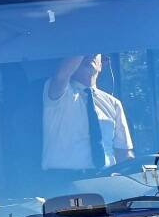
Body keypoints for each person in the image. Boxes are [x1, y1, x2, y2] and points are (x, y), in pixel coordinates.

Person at [42, 54, 134, 182]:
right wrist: (86, 45)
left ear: (102, 63)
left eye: (95, 53)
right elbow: (62, 75)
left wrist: (127, 179)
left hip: (106, 181)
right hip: (63, 182)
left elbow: (123, 152)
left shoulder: (114, 104)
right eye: (85, 52)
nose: (89, 55)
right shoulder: (57, 91)